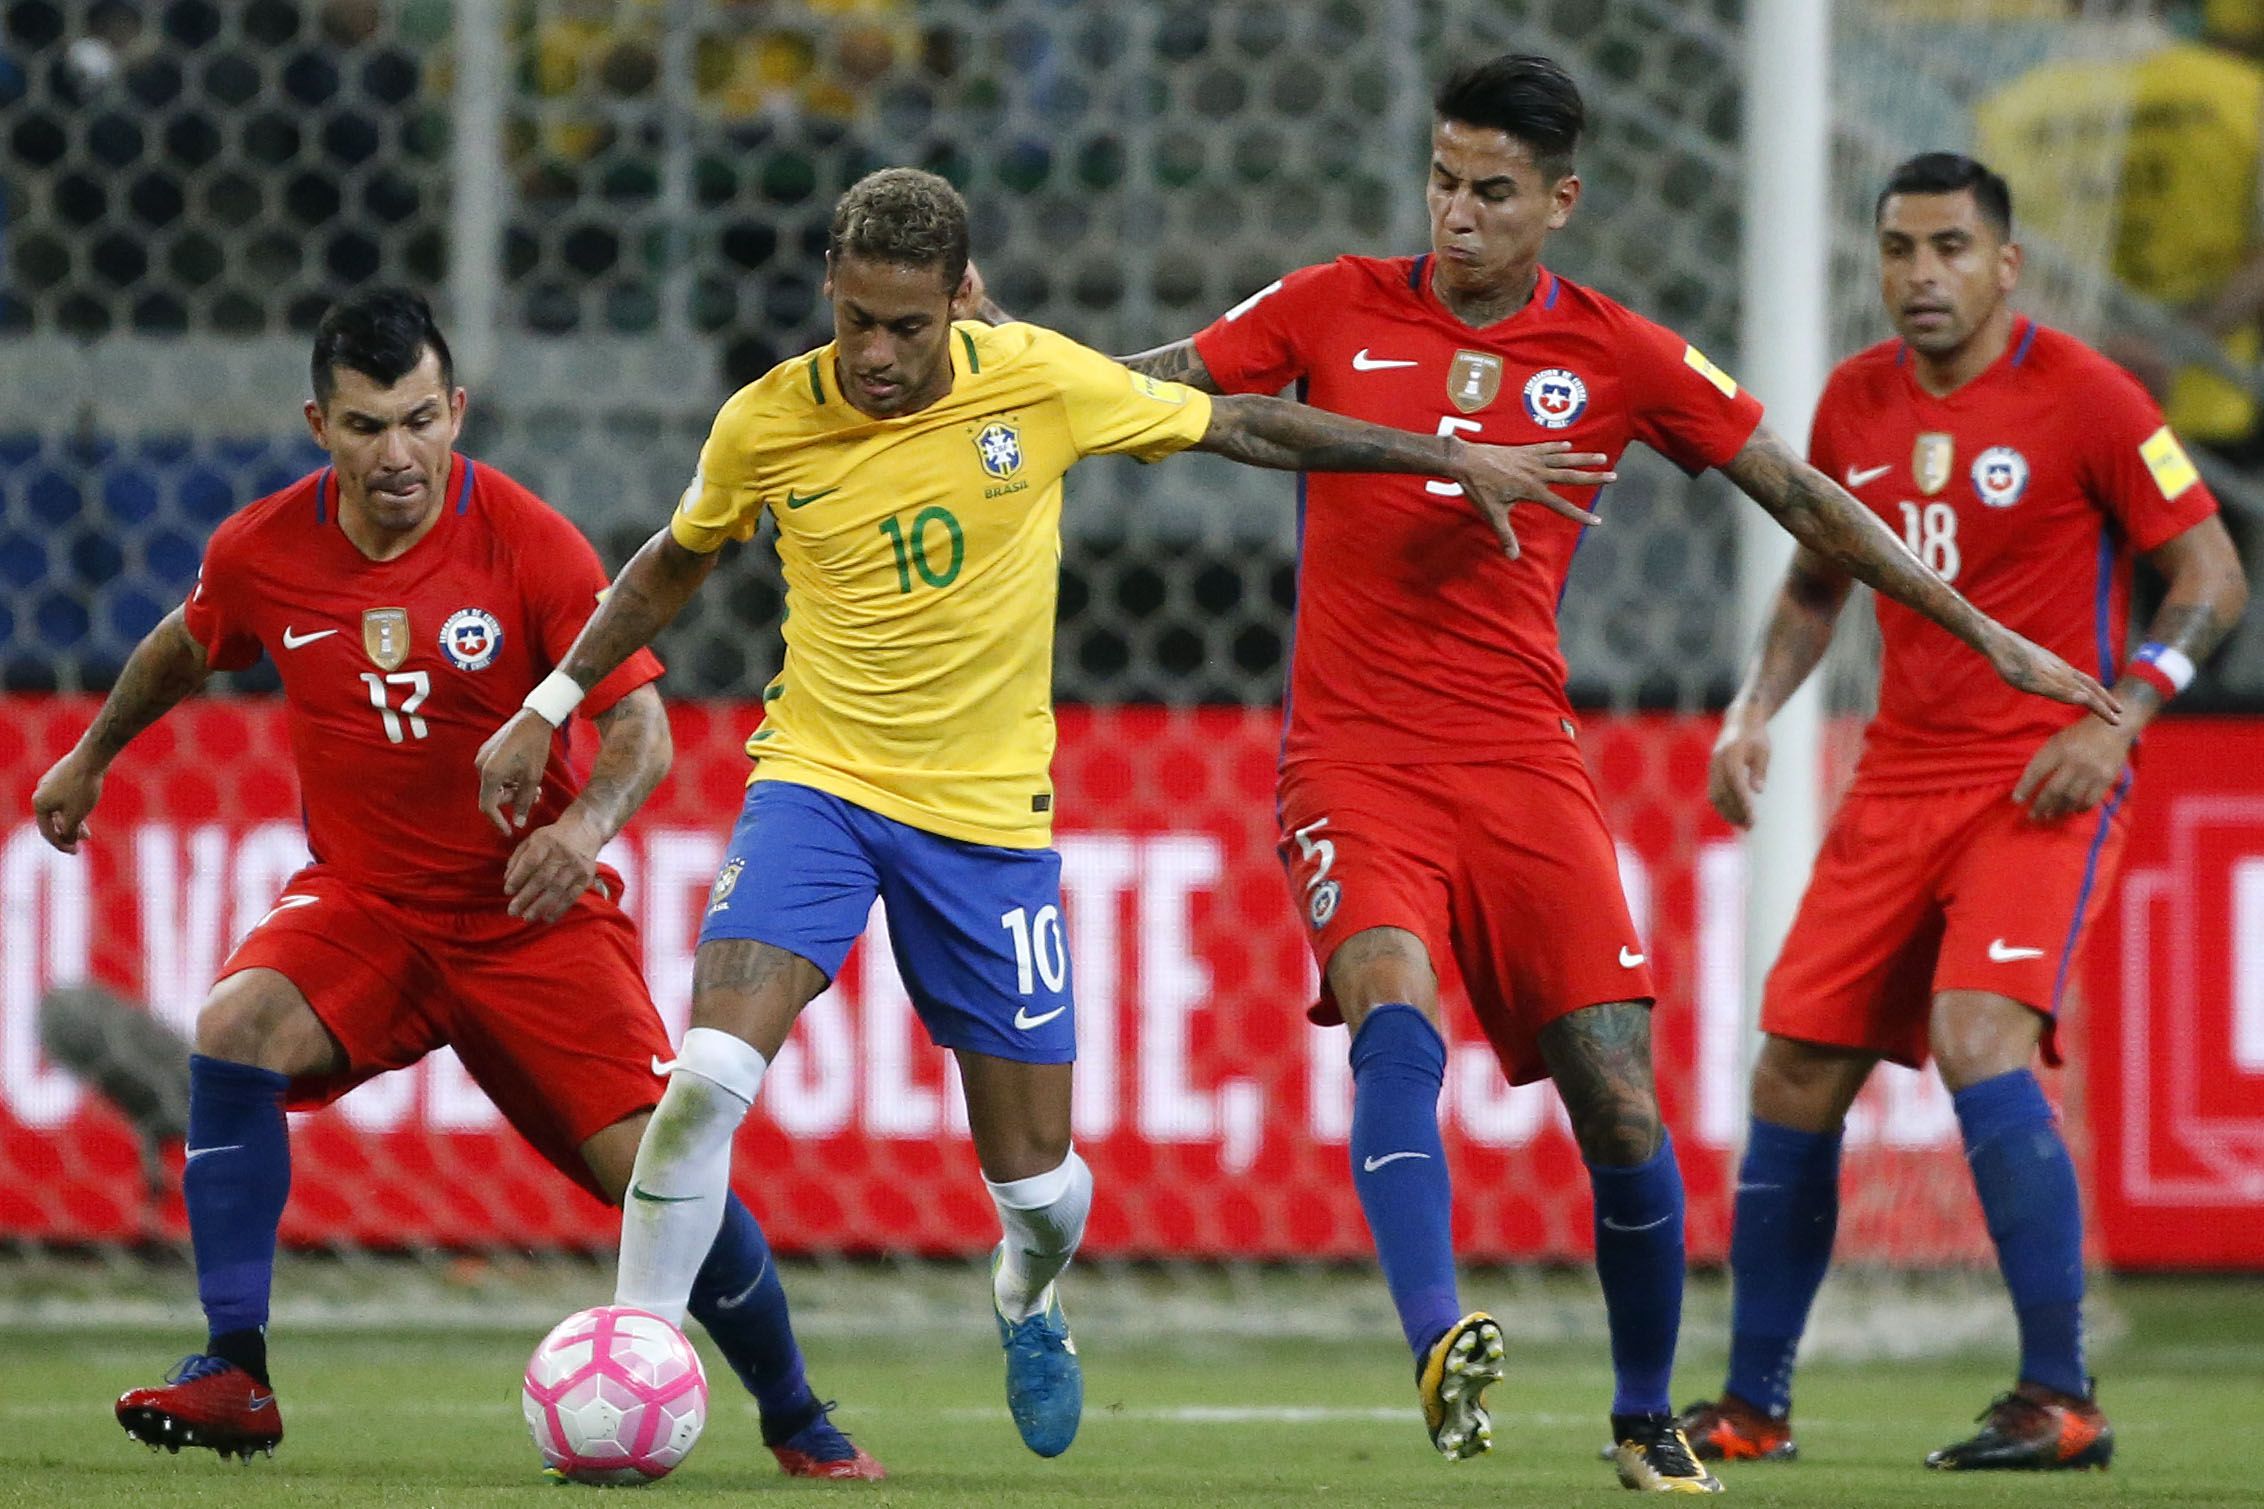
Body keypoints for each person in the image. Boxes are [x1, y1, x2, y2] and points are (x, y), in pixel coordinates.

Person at [472, 165, 1644, 1464]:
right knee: (705, 1078)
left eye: (907, 327)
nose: (874, 353)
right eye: (855, 318)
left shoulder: (1039, 379)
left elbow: (1248, 424)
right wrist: (558, 691)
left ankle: (1027, 1291)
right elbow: (675, 560)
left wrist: (1438, 452)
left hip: (985, 835)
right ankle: (643, 1351)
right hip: (818, 785)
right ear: (829, 291)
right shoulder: (765, 423)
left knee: (1038, 1191)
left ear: (957, 307)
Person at [1104, 56, 2119, 1493]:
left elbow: (1804, 498)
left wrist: (1982, 632)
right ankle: (1437, 1338)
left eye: (1493, 192)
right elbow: (1150, 391)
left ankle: (1650, 1419)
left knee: (1622, 1103)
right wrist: (999, 348)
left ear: (1560, 202)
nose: (1457, 213)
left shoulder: (1620, 354)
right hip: (1356, 759)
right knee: (1395, 1014)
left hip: (1525, 765)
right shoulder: (1327, 302)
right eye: (1444, 180)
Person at [29, 288, 882, 1481]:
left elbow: (641, 727)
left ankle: (795, 1416)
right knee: (233, 1027)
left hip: (530, 921)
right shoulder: (264, 549)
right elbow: (190, 634)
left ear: (458, 411)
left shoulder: (528, 541)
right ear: (317, 422)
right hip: (369, 909)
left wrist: (581, 829)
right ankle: (235, 1367)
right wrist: (91, 753)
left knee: (656, 1171)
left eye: (422, 421)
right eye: (368, 426)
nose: (398, 455)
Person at [1672, 153, 2245, 1472]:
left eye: (1946, 248)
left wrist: (2123, 714)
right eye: (1896, 249)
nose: (1919, 275)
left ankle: (2062, 1398)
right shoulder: (1854, 403)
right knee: (1793, 1069)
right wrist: (1754, 710)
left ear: (2005, 265)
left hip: (2042, 777)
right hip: (1895, 782)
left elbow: (2210, 573)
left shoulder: (2089, 395)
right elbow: (1821, 585)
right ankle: (1755, 1408)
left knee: (1980, 1036)